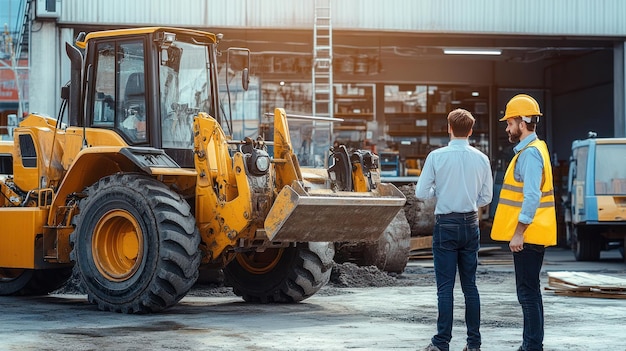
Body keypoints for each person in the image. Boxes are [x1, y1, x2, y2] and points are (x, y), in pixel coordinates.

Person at [416, 108, 493, 351]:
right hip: (470, 224)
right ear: (471, 131)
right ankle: (474, 344)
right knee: (470, 287)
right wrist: (467, 196)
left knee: (445, 288)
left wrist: (440, 191)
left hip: (446, 225)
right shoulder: (481, 159)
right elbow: (486, 197)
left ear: (448, 128)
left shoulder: (436, 157)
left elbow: (420, 193)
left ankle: (441, 343)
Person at [491, 94, 557, 351]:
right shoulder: (536, 149)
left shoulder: (530, 154)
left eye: (510, 123)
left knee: (527, 293)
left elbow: (532, 196)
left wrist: (518, 233)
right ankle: (532, 344)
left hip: (528, 236)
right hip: (534, 233)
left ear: (523, 121)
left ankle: (531, 346)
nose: (507, 128)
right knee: (532, 291)